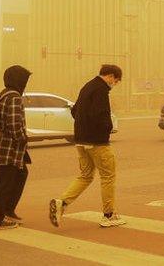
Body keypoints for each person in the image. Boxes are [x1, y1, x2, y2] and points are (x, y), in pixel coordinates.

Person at [49, 65, 125, 229]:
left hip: (81, 141)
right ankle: (109, 215)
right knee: (108, 176)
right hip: (97, 142)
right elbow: (102, 114)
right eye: (116, 81)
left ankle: (62, 202)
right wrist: (107, 128)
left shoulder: (87, 86)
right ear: (111, 76)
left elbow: (74, 111)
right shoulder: (101, 90)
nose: (115, 84)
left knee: (85, 176)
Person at [0, 65, 32, 231]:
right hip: (10, 148)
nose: (26, 84)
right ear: (18, 80)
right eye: (24, 80)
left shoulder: (3, 94)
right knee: (5, 183)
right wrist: (22, 139)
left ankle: (7, 211)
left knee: (19, 175)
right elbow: (14, 124)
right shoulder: (14, 96)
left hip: (3, 146)